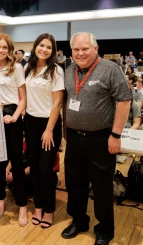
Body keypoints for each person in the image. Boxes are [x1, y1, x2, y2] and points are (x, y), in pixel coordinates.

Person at [62, 32, 131, 245]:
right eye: (76, 49)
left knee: (101, 188)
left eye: (85, 48)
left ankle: (105, 230)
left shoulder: (110, 70)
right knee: (75, 184)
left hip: (101, 139)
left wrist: (115, 135)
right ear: (71, 51)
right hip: (74, 139)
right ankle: (79, 220)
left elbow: (124, 101)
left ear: (96, 48)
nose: (80, 53)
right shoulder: (69, 70)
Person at [0, 33, 28, 226]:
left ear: (10, 50)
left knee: (16, 163)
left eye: (4, 47)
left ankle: (22, 205)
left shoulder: (17, 68)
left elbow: (23, 98)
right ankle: (1, 201)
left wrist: (15, 116)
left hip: (13, 116)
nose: (1, 50)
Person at [23, 33, 64, 228]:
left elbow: (57, 103)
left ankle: (49, 210)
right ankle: (38, 206)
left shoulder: (56, 70)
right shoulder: (27, 68)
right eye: (41, 45)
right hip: (30, 123)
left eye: (48, 47)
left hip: (49, 125)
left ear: (53, 51)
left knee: (45, 169)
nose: (44, 49)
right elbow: (23, 96)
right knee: (34, 167)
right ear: (35, 46)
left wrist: (49, 130)